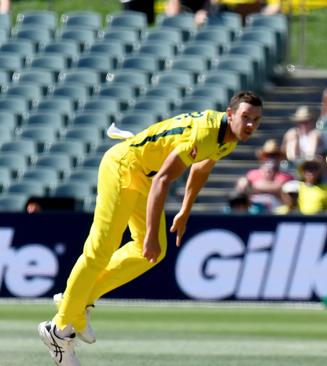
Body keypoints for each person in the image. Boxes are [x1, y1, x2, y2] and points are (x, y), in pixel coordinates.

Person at [38, 91, 263, 366]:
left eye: (256, 120)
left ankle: (77, 300)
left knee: (152, 253)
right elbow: (163, 182)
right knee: (101, 249)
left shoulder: (228, 139)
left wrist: (184, 211)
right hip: (123, 167)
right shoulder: (207, 133)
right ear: (230, 115)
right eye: (245, 118)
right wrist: (150, 234)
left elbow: (201, 169)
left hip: (143, 175)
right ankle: (58, 330)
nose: (250, 125)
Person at [243, 139, 294, 211]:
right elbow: (242, 187)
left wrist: (255, 186)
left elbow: (279, 187)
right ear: (262, 157)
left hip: (277, 211)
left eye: (275, 155)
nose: (271, 158)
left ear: (280, 158)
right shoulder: (253, 173)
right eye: (267, 155)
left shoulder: (286, 176)